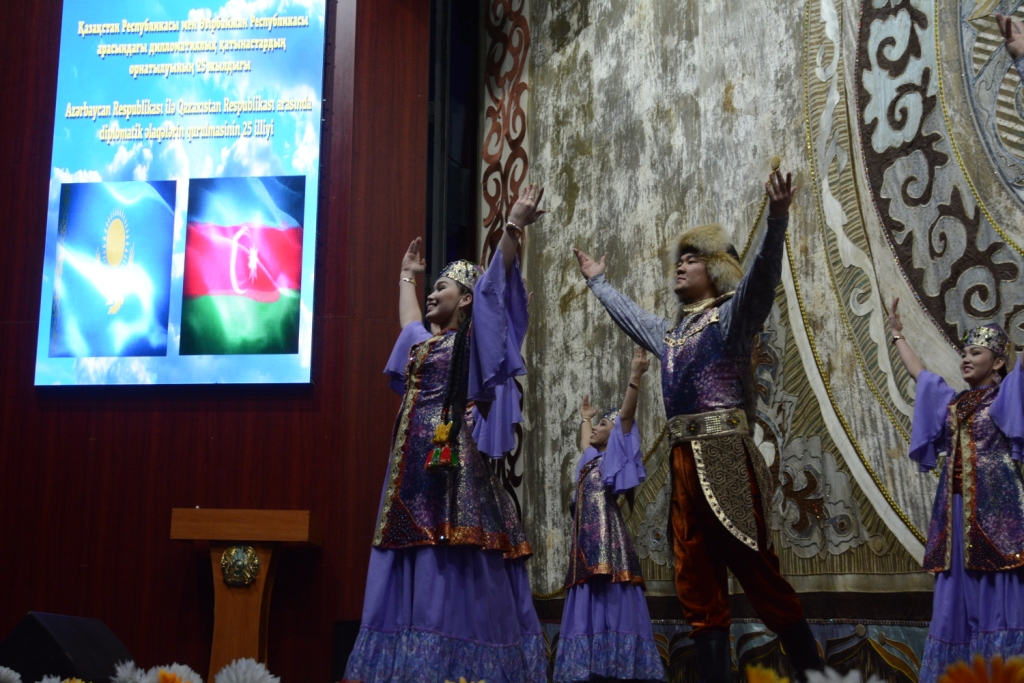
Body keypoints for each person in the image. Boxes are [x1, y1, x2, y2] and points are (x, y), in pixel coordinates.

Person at [573, 171, 824, 683]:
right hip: (683, 465)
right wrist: (598, 282)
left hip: (726, 457)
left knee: (759, 573)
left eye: (693, 258)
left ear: (715, 269)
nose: (682, 265)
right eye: (680, 259)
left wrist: (777, 221)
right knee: (697, 586)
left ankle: (817, 676)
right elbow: (631, 317)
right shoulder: (670, 334)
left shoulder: (729, 318)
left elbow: (761, 279)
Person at [342, 185, 546, 683]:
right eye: (430, 288)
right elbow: (410, 322)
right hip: (408, 468)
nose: (432, 294)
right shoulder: (421, 343)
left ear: (465, 299)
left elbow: (494, 292)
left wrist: (513, 227)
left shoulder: (469, 344)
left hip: (449, 465)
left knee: (445, 553)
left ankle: (450, 661)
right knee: (406, 547)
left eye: (441, 287)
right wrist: (406, 277)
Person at [889, 301, 1024, 681]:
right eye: (964, 353)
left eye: (975, 353)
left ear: (998, 362)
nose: (965, 358)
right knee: (955, 586)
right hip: (956, 511)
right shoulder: (953, 403)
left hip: (996, 509)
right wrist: (897, 333)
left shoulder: (1007, 394)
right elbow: (920, 374)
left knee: (999, 581)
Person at [554, 347, 666, 683]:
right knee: (587, 587)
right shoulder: (589, 459)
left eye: (602, 424)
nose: (594, 429)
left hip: (607, 536)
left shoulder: (614, 458)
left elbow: (626, 417)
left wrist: (635, 376)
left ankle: (619, 665)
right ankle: (589, 664)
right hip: (585, 541)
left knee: (611, 588)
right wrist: (586, 418)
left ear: (615, 434)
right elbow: (584, 443)